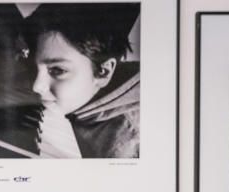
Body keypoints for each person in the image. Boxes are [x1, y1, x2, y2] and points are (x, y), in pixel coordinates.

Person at [19, 3, 141, 158]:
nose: (36, 86)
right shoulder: (83, 92)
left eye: (57, 70)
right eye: (32, 66)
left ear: (104, 72)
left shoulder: (125, 147)